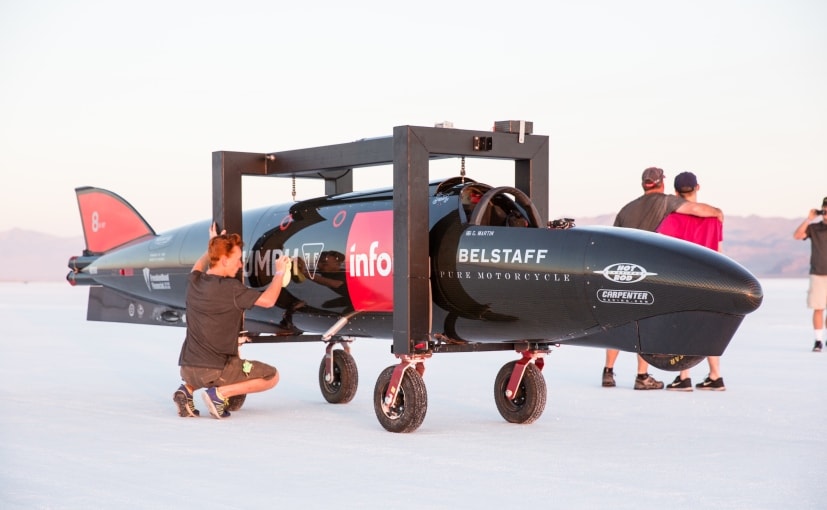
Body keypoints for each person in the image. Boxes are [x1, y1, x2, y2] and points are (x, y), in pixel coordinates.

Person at [603, 167, 724, 390]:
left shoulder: (626, 209)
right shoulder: (667, 204)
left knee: (620, 322)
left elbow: (614, 241)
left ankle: (608, 372)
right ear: (662, 184)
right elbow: (697, 211)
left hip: (624, 271)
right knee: (648, 325)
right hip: (655, 272)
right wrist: (718, 212)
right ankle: (644, 375)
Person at [173, 223, 290, 419]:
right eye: (237, 260)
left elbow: (199, 266)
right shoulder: (231, 288)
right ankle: (219, 394)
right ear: (225, 260)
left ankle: (187, 390)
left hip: (188, 368)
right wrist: (280, 272)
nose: (241, 265)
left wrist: (212, 244)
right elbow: (269, 301)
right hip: (215, 371)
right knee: (272, 376)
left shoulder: (194, 281)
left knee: (217, 365)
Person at [658, 171, 726, 391]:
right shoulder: (715, 218)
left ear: (676, 192)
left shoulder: (672, 218)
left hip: (684, 279)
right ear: (698, 187)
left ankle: (684, 376)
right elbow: (719, 249)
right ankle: (716, 376)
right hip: (712, 277)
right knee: (709, 329)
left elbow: (663, 250)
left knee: (683, 328)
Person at [793, 197, 827, 352]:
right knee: (818, 307)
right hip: (818, 273)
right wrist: (809, 218)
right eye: (824, 211)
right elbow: (797, 235)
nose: (826, 215)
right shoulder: (814, 228)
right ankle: (818, 340)